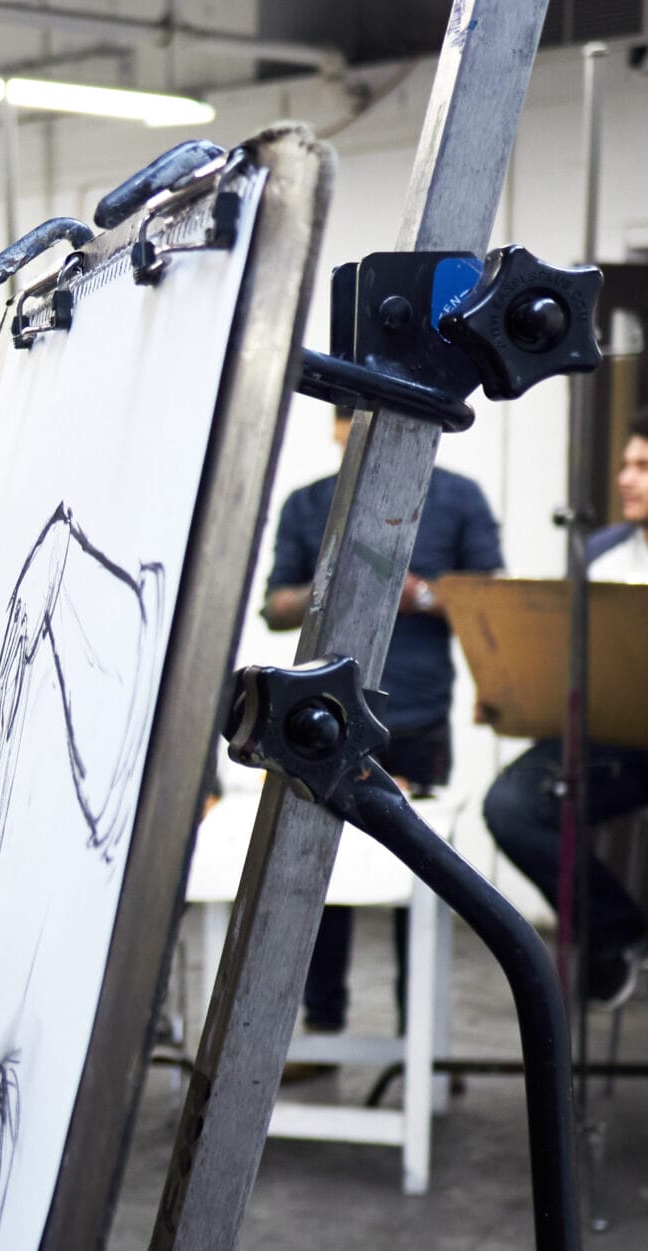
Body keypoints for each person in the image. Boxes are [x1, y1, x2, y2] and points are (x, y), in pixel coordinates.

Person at [483, 402, 648, 1005]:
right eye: (626, 463)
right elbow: (563, 650)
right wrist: (513, 694)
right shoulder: (602, 549)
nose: (624, 478)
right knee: (511, 805)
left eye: (644, 465)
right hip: (612, 739)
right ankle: (614, 933)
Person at [263, 406, 501, 1039]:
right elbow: (274, 603)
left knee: (421, 874)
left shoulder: (458, 498)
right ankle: (321, 1028)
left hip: (417, 713)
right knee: (312, 872)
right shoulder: (307, 504)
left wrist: (415, 592)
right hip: (323, 717)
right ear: (337, 430)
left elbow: (492, 596)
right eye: (350, 429)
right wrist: (331, 584)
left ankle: (421, 1042)